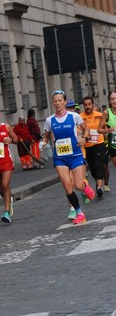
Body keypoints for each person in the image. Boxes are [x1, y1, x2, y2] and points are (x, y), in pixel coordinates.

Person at [40, 90, 95, 225]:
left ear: (64, 102)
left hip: (75, 155)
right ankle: (79, 212)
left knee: (77, 185)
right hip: (60, 158)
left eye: (60, 100)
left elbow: (86, 129)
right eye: (55, 101)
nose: (58, 103)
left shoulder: (74, 116)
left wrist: (84, 138)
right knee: (67, 186)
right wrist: (44, 142)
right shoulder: (49, 120)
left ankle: (85, 186)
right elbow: (46, 135)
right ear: (53, 103)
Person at [80, 96, 106, 198]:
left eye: (89, 104)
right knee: (92, 168)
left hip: (99, 144)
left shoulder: (100, 115)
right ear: (83, 106)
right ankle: (98, 181)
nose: (87, 106)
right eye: (85, 105)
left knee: (98, 164)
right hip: (87, 146)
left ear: (92, 104)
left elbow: (104, 127)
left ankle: (99, 187)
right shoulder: (80, 117)